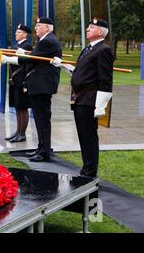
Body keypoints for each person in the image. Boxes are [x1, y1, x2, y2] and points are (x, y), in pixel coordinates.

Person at [51, 18, 114, 177]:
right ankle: (86, 167)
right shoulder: (88, 49)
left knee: (89, 136)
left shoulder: (103, 50)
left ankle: (90, 170)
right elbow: (81, 72)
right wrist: (63, 65)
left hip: (90, 100)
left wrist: (100, 105)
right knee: (83, 135)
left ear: (100, 32)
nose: (87, 29)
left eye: (91, 27)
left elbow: (105, 80)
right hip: (80, 99)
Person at [2, 17, 62, 162]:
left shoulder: (48, 41)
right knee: (41, 120)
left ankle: (44, 152)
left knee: (42, 120)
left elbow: (32, 59)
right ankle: (41, 148)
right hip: (40, 85)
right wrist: (24, 54)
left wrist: (10, 59)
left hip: (42, 86)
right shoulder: (47, 40)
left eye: (38, 25)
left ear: (47, 27)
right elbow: (36, 57)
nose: (35, 28)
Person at [5, 24, 33, 143]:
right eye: (16, 32)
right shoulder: (18, 45)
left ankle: (22, 133)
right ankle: (18, 131)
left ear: (25, 34)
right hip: (15, 79)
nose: (16, 34)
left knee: (22, 107)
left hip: (21, 80)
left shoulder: (27, 46)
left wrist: (8, 59)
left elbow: (22, 61)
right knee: (17, 107)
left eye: (19, 32)